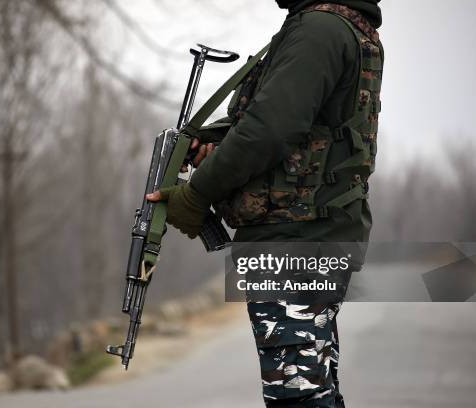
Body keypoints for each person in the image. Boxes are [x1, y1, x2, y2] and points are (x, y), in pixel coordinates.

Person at [147, 0, 383, 406]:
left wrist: (197, 193)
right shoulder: (338, 26)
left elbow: (271, 129)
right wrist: (217, 145)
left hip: (296, 237)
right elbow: (298, 129)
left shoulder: (320, 29)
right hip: (309, 233)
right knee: (311, 391)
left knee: (298, 397)